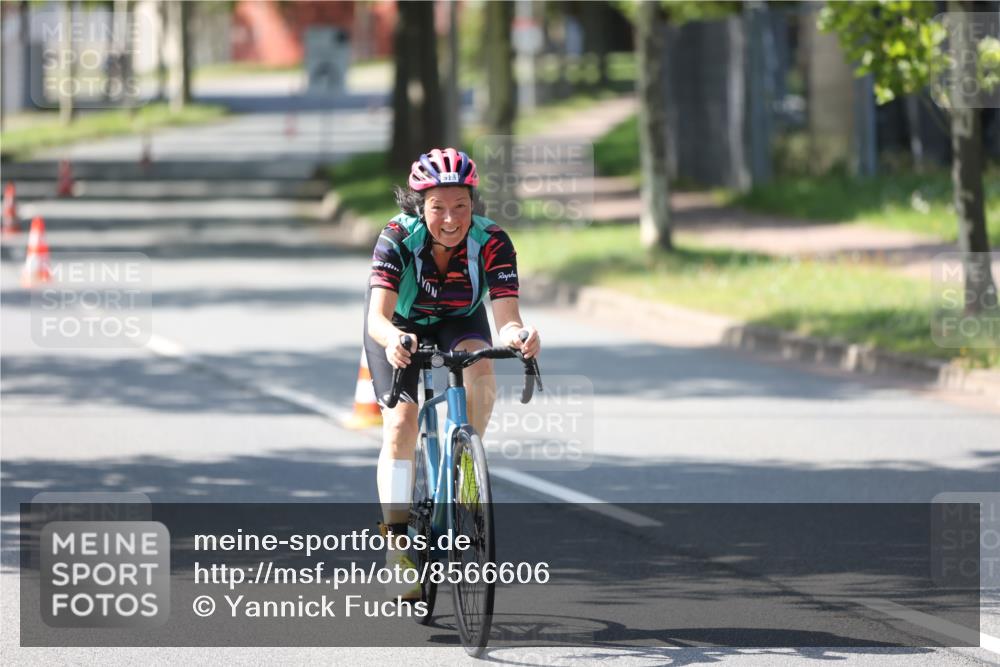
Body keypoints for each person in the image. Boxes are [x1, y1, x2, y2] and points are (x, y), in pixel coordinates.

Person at [364, 148, 541, 599]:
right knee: (401, 423)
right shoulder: (396, 237)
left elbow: (507, 319)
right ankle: (397, 544)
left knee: (482, 365)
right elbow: (376, 319)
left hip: (459, 321)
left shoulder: (493, 239)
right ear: (419, 205)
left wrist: (520, 336)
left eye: (460, 205)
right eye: (438, 207)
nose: (450, 218)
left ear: (472, 203)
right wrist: (393, 341)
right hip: (399, 326)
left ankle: (465, 465)